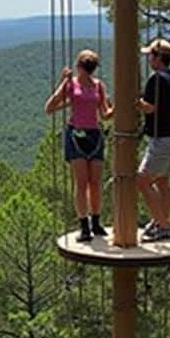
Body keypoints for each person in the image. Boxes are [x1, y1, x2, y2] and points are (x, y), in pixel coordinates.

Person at [45, 49, 114, 242]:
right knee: (82, 182)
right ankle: (84, 225)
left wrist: (118, 107)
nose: (88, 72)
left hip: (94, 134)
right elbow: (50, 107)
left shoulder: (99, 86)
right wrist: (64, 84)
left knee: (95, 183)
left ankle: (96, 222)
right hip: (75, 133)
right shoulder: (71, 85)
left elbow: (105, 114)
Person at [137, 38, 170, 243]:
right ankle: (159, 220)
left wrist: (134, 102)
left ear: (158, 58)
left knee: (141, 180)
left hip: (162, 138)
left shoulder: (156, 79)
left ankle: (163, 225)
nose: (148, 58)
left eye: (150, 55)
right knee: (163, 182)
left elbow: (150, 107)